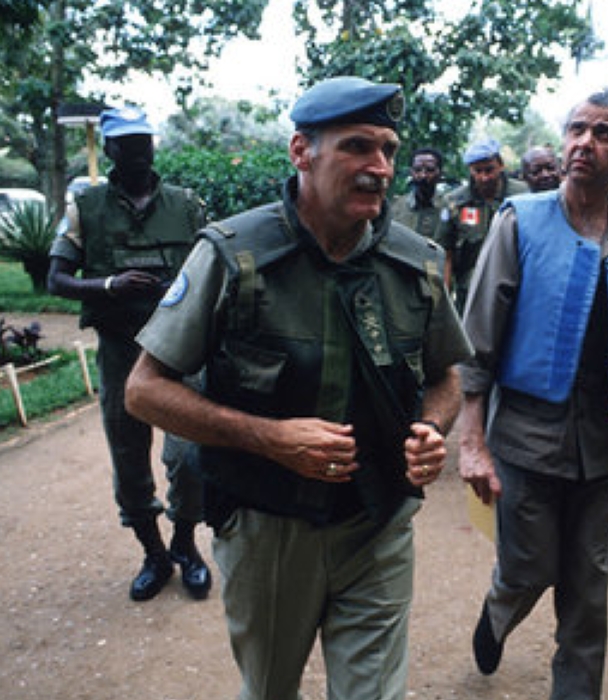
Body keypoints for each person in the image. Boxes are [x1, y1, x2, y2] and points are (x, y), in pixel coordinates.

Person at [123, 76, 472, 700]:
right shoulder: (234, 256)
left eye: (388, 150)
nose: (380, 167)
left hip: (379, 522)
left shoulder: (416, 263)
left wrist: (432, 429)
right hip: (269, 528)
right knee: (270, 689)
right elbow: (144, 391)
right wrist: (268, 437)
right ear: (301, 152)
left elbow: (448, 375)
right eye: (358, 147)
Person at [458, 87, 608, 700]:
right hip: (526, 440)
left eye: (603, 133)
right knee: (529, 570)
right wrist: (471, 441)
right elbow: (477, 343)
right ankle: (499, 610)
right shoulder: (519, 221)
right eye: (578, 129)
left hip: (605, 444)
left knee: (588, 588)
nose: (585, 142)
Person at [47, 106, 211, 602]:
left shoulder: (187, 205)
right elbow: (56, 279)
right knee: (129, 459)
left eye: (146, 142)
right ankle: (153, 554)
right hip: (122, 351)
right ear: (111, 149)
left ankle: (185, 545)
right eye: (129, 144)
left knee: (190, 457)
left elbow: (213, 274)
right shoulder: (85, 206)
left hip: (181, 351)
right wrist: (109, 284)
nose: (141, 152)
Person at [437, 137, 529, 311]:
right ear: (470, 170)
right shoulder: (454, 202)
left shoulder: (523, 195)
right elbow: (446, 253)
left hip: (515, 289)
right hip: (470, 293)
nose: (484, 177)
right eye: (477, 171)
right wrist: (444, 300)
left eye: (489, 170)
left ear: (501, 165)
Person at [390, 147, 447, 239]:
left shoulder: (448, 207)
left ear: (440, 173)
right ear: (411, 172)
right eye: (417, 169)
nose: (423, 175)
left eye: (430, 170)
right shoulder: (396, 206)